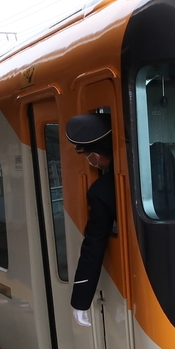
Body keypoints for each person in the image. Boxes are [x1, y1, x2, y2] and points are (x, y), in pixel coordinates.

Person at [67, 113, 116, 327]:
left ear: (95, 156)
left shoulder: (101, 190)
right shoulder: (162, 159)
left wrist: (80, 300)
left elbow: (94, 243)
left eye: (87, 156)